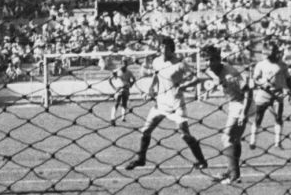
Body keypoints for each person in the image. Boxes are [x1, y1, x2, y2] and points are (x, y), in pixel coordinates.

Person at [124, 36, 208, 171]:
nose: (162, 49)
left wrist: (184, 86)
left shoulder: (180, 64)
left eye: (166, 47)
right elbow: (156, 76)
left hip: (176, 105)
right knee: (145, 131)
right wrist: (150, 90)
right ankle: (141, 159)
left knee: (184, 135)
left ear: (171, 49)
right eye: (161, 47)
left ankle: (202, 161)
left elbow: (197, 79)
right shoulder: (156, 61)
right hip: (160, 105)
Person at [197, 45, 254, 184]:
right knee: (235, 140)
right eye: (206, 60)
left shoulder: (230, 74)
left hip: (243, 104)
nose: (207, 63)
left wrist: (243, 114)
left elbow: (248, 92)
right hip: (234, 104)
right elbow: (206, 76)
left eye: (210, 60)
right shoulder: (212, 70)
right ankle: (231, 171)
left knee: (226, 138)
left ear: (218, 60)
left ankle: (234, 176)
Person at [248, 43, 291, 150]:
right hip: (263, 94)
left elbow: (288, 79)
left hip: (278, 94)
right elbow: (255, 79)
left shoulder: (282, 65)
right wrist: (263, 83)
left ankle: (277, 142)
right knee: (258, 118)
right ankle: (253, 141)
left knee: (278, 118)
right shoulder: (260, 65)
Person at [108, 60, 135, 125]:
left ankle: (123, 118)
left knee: (124, 103)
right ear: (121, 64)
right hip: (119, 90)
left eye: (125, 64)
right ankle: (112, 118)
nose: (124, 65)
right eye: (123, 64)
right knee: (116, 103)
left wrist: (130, 85)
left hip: (126, 89)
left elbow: (134, 79)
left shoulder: (129, 72)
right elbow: (110, 79)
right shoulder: (116, 71)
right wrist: (114, 88)